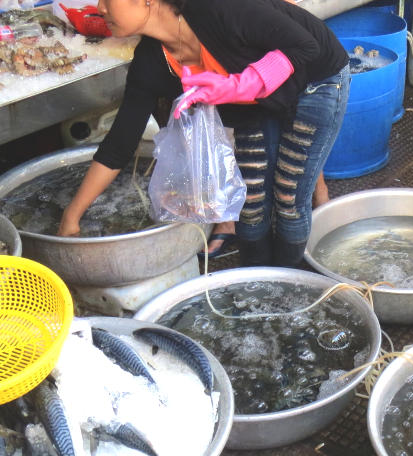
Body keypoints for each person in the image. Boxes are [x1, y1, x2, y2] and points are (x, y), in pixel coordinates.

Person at [58, 0, 349, 267]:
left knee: (288, 197)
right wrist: (71, 217)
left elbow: (305, 46)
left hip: (316, 78)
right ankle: (255, 286)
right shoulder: (150, 62)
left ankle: (289, 293)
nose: (100, 8)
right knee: (249, 202)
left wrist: (242, 85)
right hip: (261, 101)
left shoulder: (215, 8)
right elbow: (120, 143)